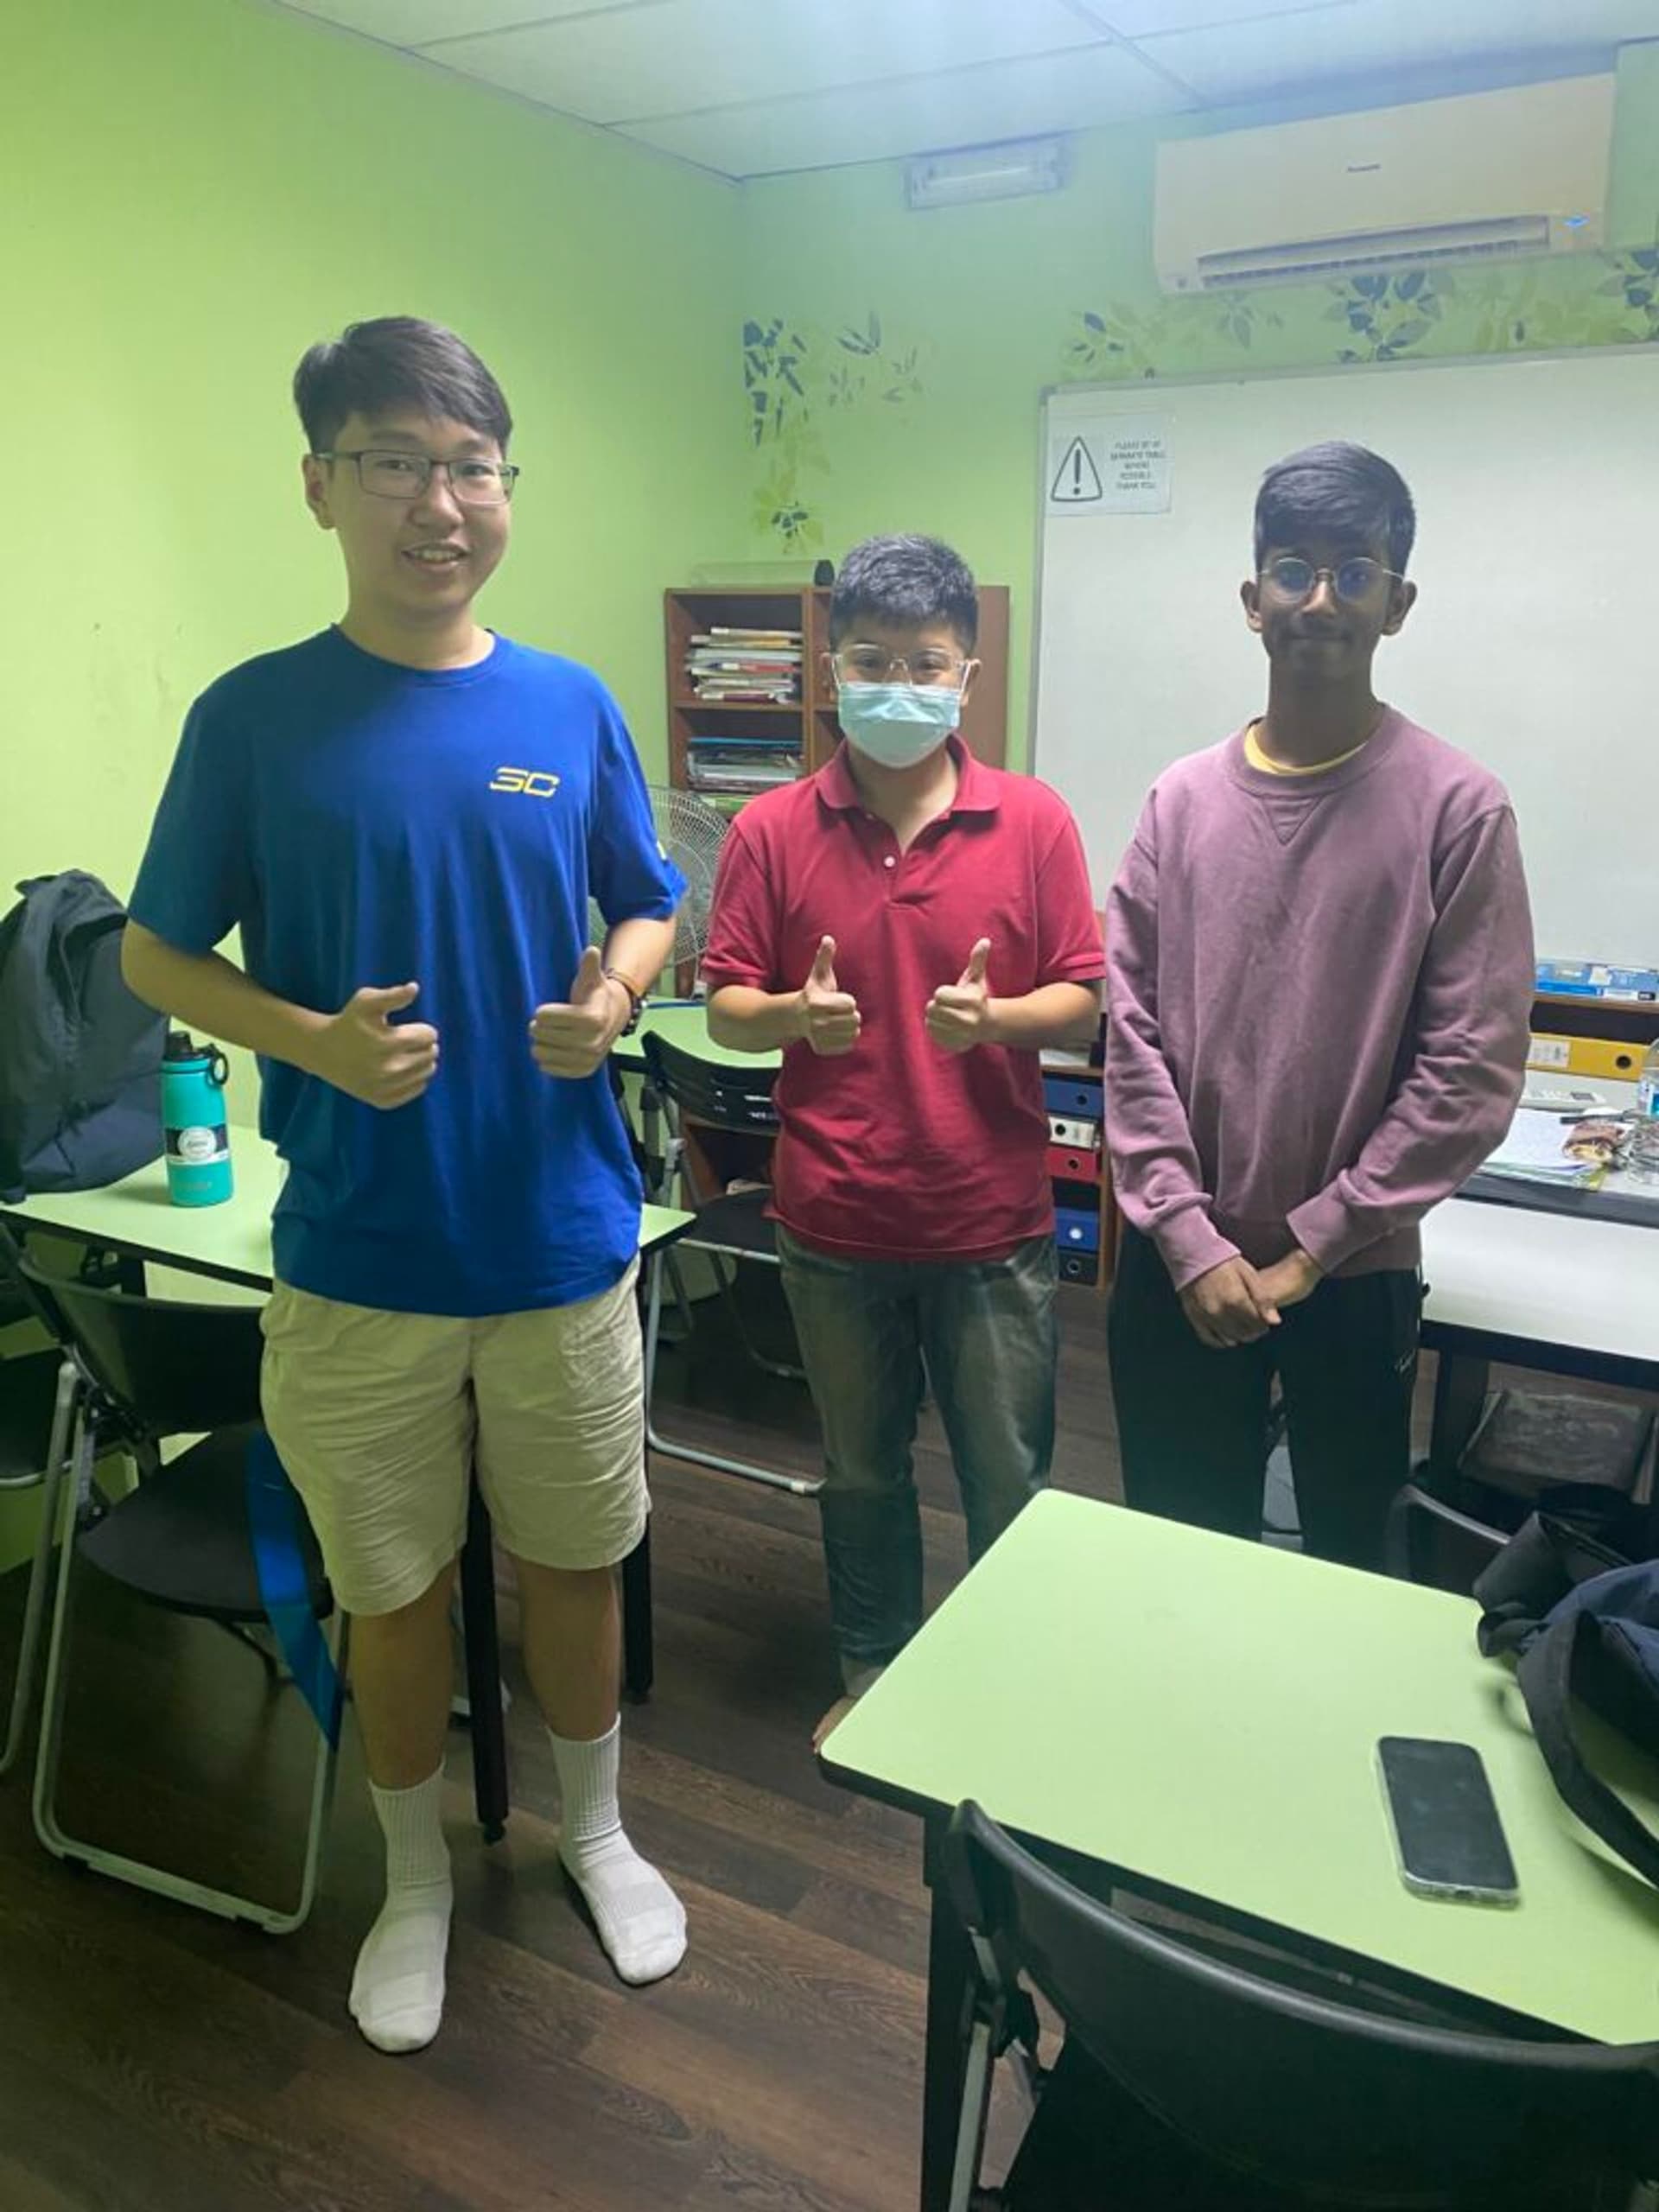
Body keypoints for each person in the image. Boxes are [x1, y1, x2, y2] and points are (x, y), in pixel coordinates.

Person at [122, 316, 688, 2053]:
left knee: (577, 1562)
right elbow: (153, 953)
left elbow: (649, 901)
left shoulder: (569, 704)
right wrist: (314, 1041)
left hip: (560, 1236)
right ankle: (414, 1878)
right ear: (322, 485)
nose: (438, 503)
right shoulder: (253, 718)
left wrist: (612, 1000)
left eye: (469, 467)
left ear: (505, 487)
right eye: (392, 464)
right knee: (392, 1588)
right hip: (360, 1250)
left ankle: (596, 1831)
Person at [1104, 441, 1534, 1572]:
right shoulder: (1179, 802)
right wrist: (1189, 1238)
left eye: (1355, 571)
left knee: (1347, 1564)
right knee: (1178, 1555)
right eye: (1293, 569)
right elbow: (1130, 1031)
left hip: (1353, 1275)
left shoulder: (1458, 810)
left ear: (1398, 602)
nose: (1322, 599)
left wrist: (1314, 1245)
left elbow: (1471, 1068)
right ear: (1254, 599)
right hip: (1176, 1263)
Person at [702, 535, 1103, 1743]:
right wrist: (794, 1014)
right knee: (863, 1471)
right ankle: (875, 1668)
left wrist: (997, 1021)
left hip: (990, 1222)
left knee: (1008, 1476)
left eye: (926, 663)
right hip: (834, 1222)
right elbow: (725, 1007)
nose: (900, 685)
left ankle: (1008, 1680)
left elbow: (1083, 1003)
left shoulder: (1032, 821)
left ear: (966, 676)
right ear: (832, 670)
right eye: (873, 661)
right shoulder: (771, 828)